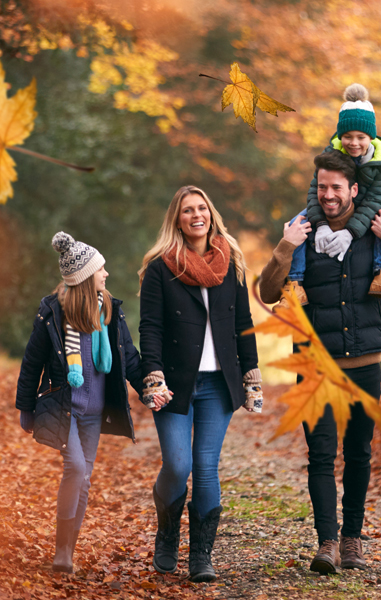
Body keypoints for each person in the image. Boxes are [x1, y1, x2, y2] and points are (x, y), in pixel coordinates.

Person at [259, 151, 381, 573]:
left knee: (358, 454)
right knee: (320, 456)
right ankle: (327, 544)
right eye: (322, 187)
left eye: (336, 187)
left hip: (364, 366)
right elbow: (267, 292)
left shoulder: (376, 230)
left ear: (353, 189)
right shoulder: (302, 232)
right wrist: (286, 245)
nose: (329, 194)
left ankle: (352, 540)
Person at [138, 185, 262, 582]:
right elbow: (150, 326)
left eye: (202, 208)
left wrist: (251, 374)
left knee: (206, 467)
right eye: (188, 210)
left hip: (219, 383)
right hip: (174, 382)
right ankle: (167, 534)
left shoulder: (231, 261)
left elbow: (243, 323)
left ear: (211, 214)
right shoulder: (161, 267)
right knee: (178, 464)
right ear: (177, 219)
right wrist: (152, 373)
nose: (197, 215)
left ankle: (201, 556)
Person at [16, 232, 149, 574]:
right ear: (86, 277)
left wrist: (148, 388)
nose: (106, 274)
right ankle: (61, 549)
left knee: (85, 477)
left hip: (94, 412)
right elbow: (32, 362)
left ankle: (67, 551)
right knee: (75, 468)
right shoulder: (53, 314)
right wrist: (26, 407)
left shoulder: (110, 311)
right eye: (101, 269)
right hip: (66, 409)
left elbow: (129, 359)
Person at [276, 83, 381, 309]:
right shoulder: (330, 156)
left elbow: (374, 200)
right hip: (333, 208)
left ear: (371, 137)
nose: (353, 143)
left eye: (361, 137)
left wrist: (350, 231)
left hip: (364, 208)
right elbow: (315, 192)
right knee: (298, 223)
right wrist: (321, 225)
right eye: (347, 136)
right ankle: (295, 284)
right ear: (340, 136)